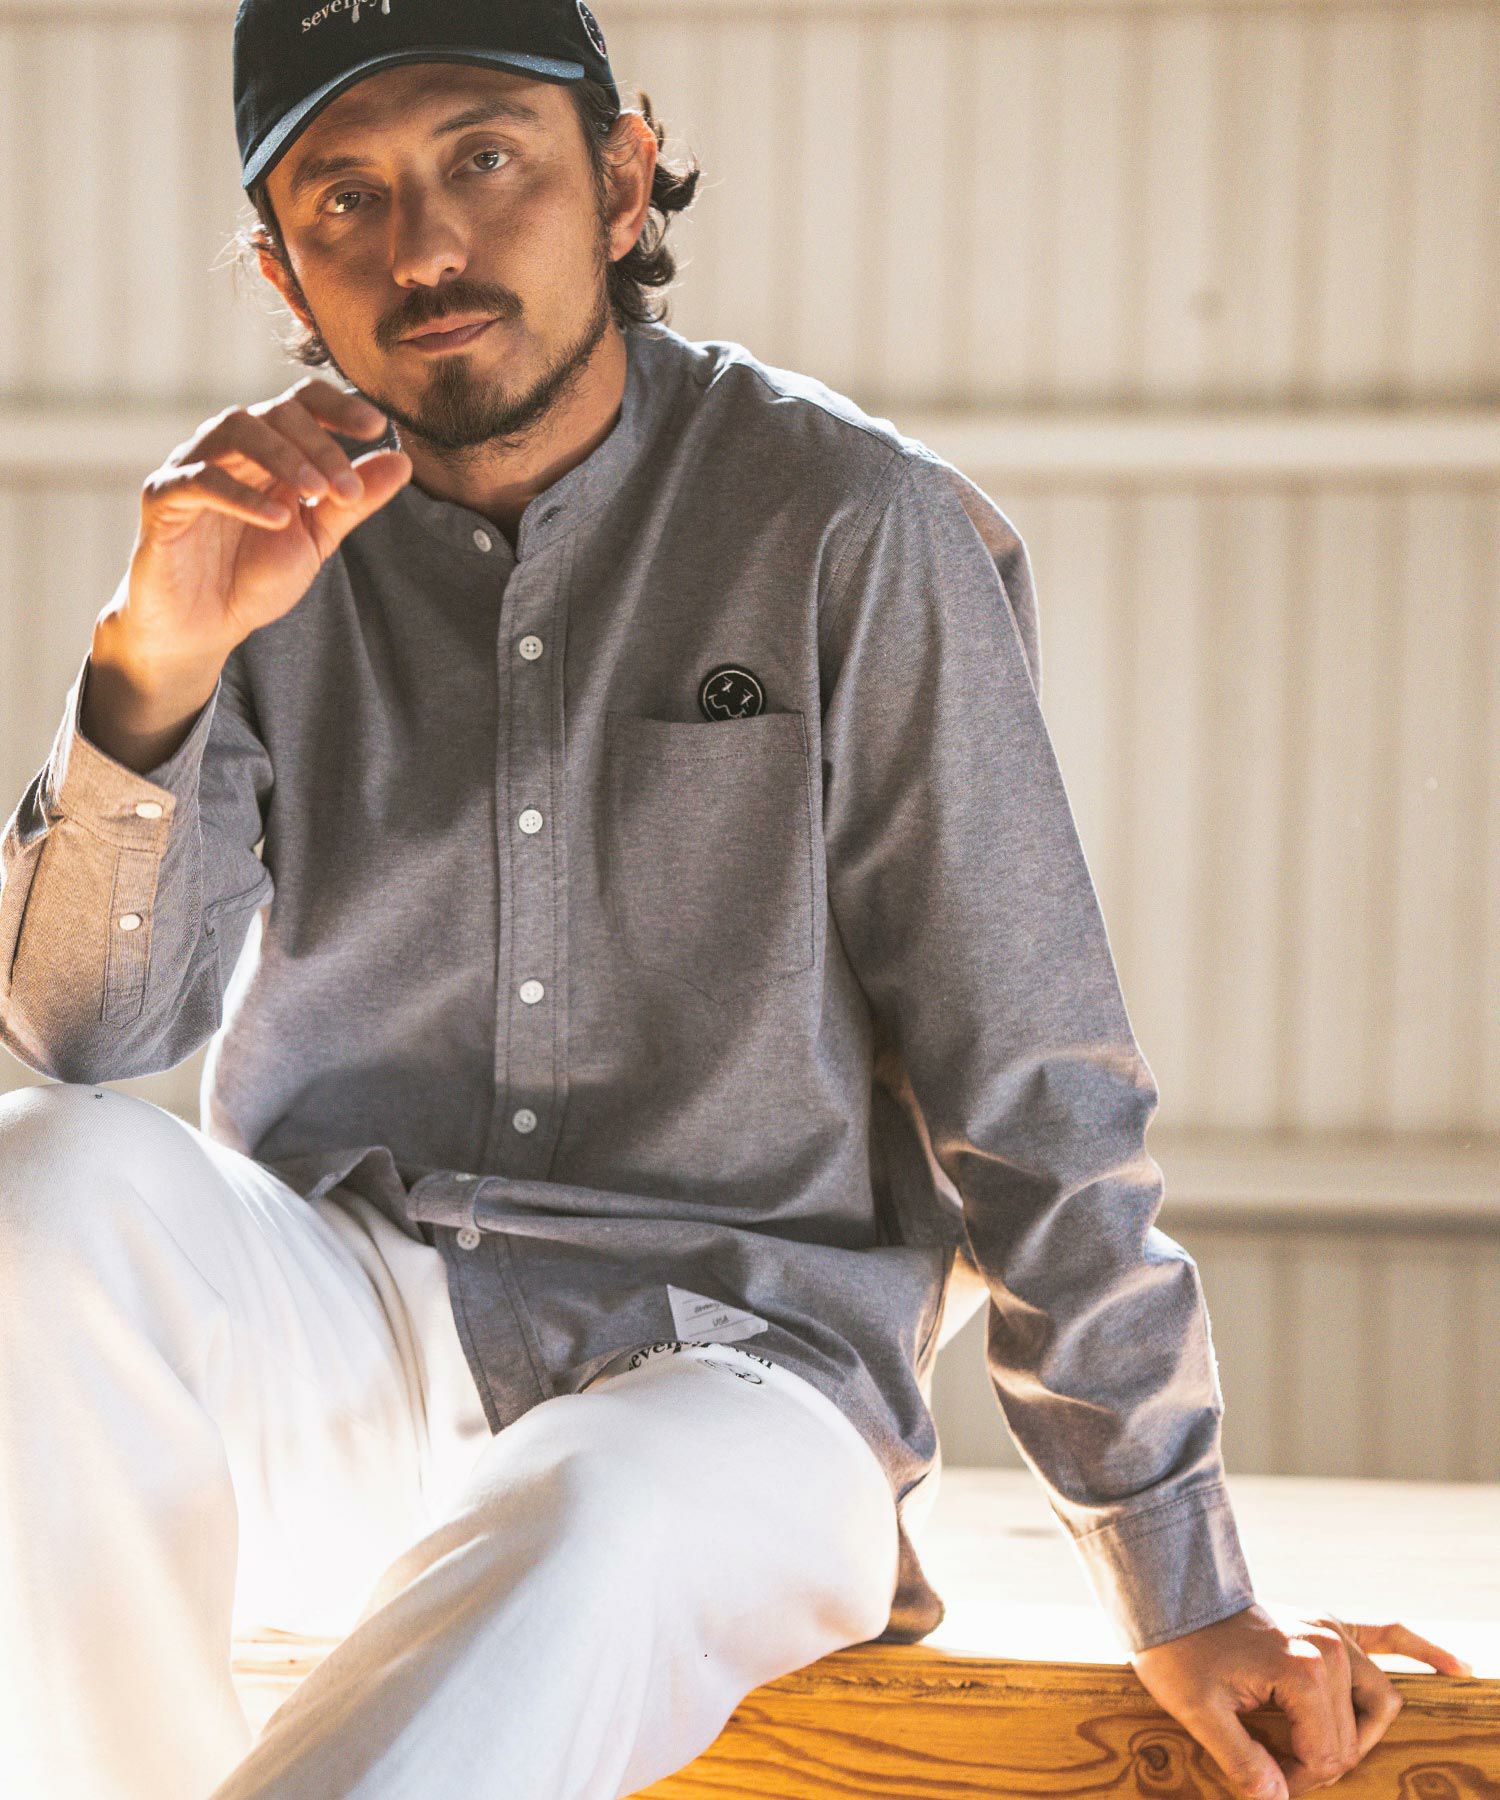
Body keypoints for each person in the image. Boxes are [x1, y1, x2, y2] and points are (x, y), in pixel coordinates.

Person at [0, 2, 1473, 1797]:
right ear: (281, 269)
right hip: (363, 1332)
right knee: (39, 1180)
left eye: (486, 159)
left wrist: (1185, 1576)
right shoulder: (249, 545)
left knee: (597, 1509)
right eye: (346, 200)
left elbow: (1029, 1074)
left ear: (623, 180)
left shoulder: (853, 523)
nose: (427, 247)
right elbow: (83, 1039)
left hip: (737, 1386)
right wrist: (146, 668)